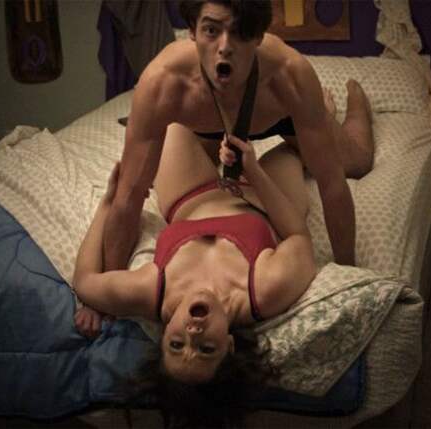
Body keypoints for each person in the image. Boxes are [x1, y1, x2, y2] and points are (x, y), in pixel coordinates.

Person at [102, 0, 374, 272]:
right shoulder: (163, 82)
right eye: (211, 30)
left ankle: (350, 101)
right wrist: (110, 284)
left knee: (355, 163)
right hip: (204, 122)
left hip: (277, 116)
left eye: (240, 32)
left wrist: (347, 272)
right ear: (192, 31)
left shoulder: (290, 75)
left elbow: (331, 183)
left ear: (258, 37)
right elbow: (128, 196)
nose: (225, 47)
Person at [73, 124, 316, 384]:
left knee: (172, 124)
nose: (193, 332)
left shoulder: (153, 290)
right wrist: (253, 171)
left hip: (191, 195)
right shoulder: (265, 291)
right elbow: (298, 236)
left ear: (164, 335)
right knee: (296, 142)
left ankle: (214, 141)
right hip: (266, 200)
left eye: (176, 344)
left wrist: (107, 203)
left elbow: (84, 281)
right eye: (206, 349)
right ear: (229, 346)